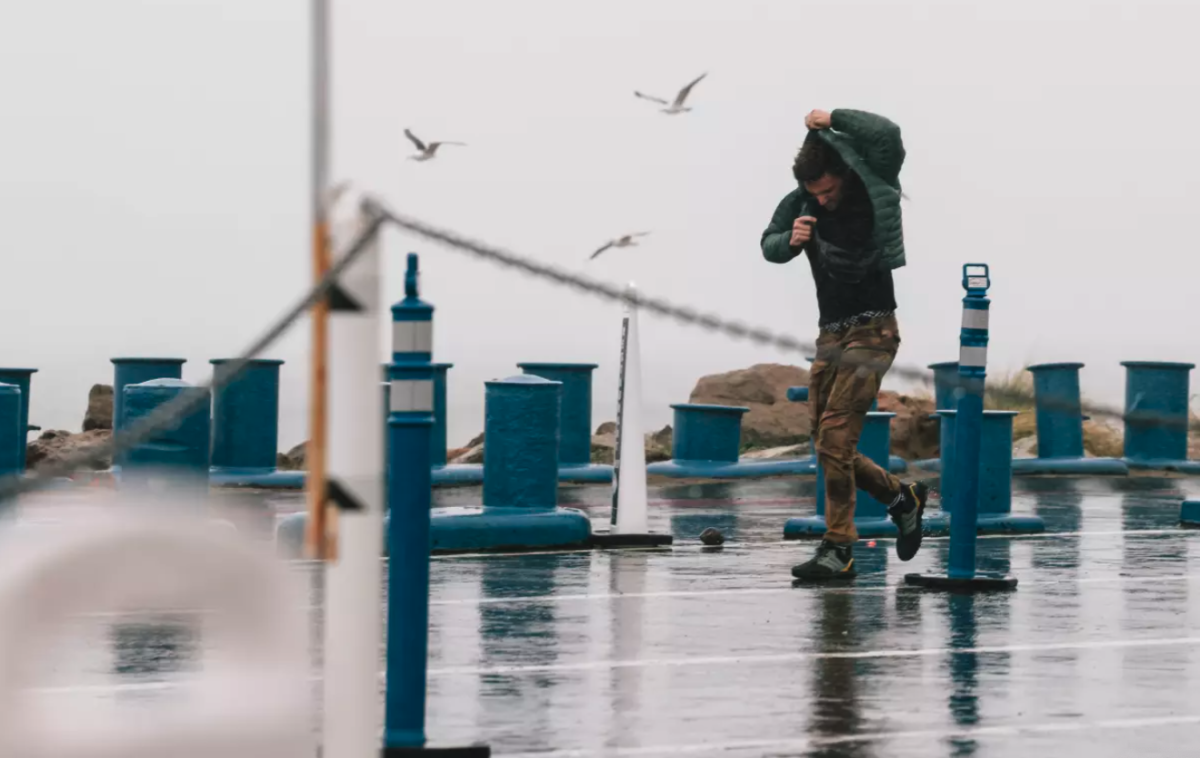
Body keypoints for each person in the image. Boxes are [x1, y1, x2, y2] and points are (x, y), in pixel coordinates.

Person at [760, 107, 928, 581]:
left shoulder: (871, 182)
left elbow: (888, 134)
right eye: (816, 194)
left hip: (874, 331)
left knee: (835, 439)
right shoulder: (802, 204)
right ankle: (902, 498)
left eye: (829, 190)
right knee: (826, 442)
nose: (825, 200)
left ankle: (839, 547)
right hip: (830, 335)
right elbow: (768, 242)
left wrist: (832, 116)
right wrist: (789, 241)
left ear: (841, 174)